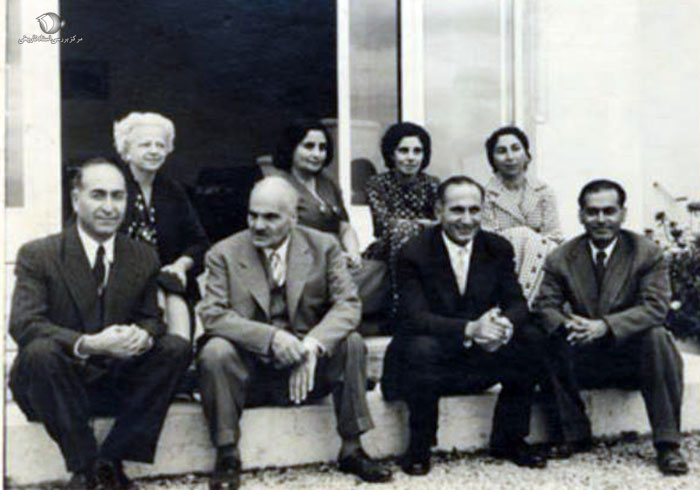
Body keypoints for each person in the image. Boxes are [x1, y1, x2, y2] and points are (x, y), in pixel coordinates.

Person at [196, 177, 392, 489]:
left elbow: (348, 305)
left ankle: (352, 449)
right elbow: (213, 315)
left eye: (270, 217)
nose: (258, 225)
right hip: (251, 373)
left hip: (309, 371)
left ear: (293, 218)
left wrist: (312, 345)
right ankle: (227, 454)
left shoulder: (324, 247)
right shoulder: (223, 253)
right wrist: (272, 339)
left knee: (352, 343)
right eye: (253, 215)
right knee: (215, 351)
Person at [9, 159, 192, 489]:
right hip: (56, 385)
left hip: (114, 382)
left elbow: (152, 318)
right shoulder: (39, 255)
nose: (109, 207)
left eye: (117, 196)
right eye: (98, 195)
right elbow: (24, 323)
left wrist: (142, 335)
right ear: (75, 199)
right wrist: (89, 343)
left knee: (175, 347)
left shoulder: (142, 256)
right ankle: (86, 465)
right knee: (38, 351)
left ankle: (111, 458)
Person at [382, 175, 548, 476]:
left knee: (531, 337)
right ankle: (419, 446)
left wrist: (502, 326)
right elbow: (414, 317)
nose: (467, 219)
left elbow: (518, 304)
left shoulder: (497, 247)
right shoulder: (414, 252)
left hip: (476, 360)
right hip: (425, 364)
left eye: (474, 210)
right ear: (438, 211)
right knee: (421, 345)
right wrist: (471, 329)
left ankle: (509, 439)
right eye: (457, 210)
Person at [533, 179, 687, 475]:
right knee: (543, 336)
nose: (601, 219)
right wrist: (569, 325)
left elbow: (655, 307)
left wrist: (605, 326)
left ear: (623, 213)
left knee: (657, 337)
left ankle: (668, 444)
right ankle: (573, 434)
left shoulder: (646, 253)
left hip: (631, 357)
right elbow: (545, 306)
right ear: (581, 215)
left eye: (609, 211)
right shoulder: (561, 257)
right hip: (583, 355)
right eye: (592, 212)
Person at [268, 119, 389, 334]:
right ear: (291, 148)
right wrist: (331, 254)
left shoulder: (327, 183)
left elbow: (344, 226)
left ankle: (351, 319)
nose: (317, 154)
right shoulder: (279, 186)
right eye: (309, 146)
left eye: (322, 148)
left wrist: (353, 252)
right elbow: (281, 236)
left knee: (382, 270)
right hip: (305, 263)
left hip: (338, 260)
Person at [113, 111, 209, 340]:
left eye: (160, 145)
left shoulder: (173, 191)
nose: (154, 150)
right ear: (126, 150)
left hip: (168, 284)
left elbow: (199, 243)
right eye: (145, 144)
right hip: (120, 288)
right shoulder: (113, 188)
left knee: (180, 339)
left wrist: (181, 266)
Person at [363, 122, 440, 323]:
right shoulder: (377, 184)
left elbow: (441, 223)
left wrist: (419, 226)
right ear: (391, 154)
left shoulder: (432, 184)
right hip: (387, 246)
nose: (411, 157)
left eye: (417, 151)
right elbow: (384, 225)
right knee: (401, 230)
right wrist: (423, 224)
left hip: (425, 246)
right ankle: (400, 308)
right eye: (403, 151)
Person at [482, 126, 562, 304]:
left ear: (526, 154)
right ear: (492, 159)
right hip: (501, 266)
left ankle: (525, 305)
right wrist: (521, 239)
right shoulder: (486, 195)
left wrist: (531, 243)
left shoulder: (543, 192)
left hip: (541, 265)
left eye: (516, 148)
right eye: (501, 151)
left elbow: (554, 237)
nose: (510, 157)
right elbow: (488, 239)